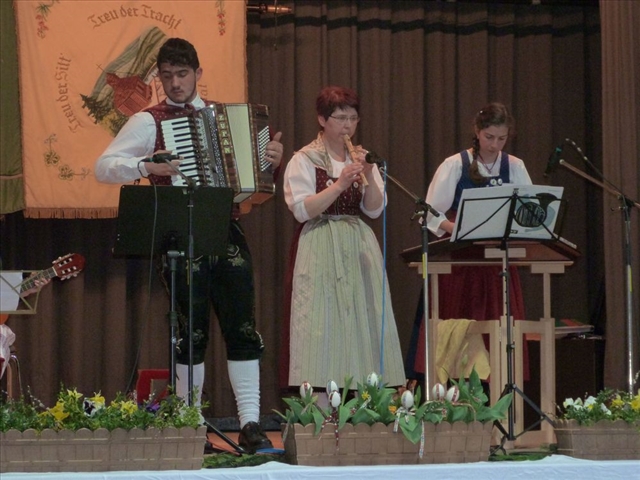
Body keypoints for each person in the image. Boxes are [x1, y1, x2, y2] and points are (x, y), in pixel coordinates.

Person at [95, 38, 283, 453]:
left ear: (198, 74)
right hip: (179, 236)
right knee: (189, 332)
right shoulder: (149, 121)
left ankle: (250, 423)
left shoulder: (222, 116)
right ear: (159, 79)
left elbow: (253, 182)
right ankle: (190, 424)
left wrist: (270, 158)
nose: (175, 83)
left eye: (182, 74)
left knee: (242, 327)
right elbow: (103, 167)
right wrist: (145, 165)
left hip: (226, 229)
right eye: (167, 76)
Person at [281, 86, 405, 394]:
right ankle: (322, 403)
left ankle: (366, 397)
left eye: (353, 118)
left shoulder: (361, 157)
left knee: (364, 317)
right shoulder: (305, 158)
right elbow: (302, 209)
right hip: (321, 239)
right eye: (340, 118)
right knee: (321, 323)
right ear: (322, 120)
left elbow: (374, 209)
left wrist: (370, 172)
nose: (347, 126)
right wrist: (338, 184)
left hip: (357, 240)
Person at [407, 102, 532, 380]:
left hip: (497, 264)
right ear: (477, 131)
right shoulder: (455, 165)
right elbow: (428, 213)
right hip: (460, 263)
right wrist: (454, 228)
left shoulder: (515, 166)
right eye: (489, 137)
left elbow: (529, 212)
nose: (495, 145)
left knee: (499, 330)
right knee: (459, 331)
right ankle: (454, 394)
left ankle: (499, 392)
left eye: (501, 139)